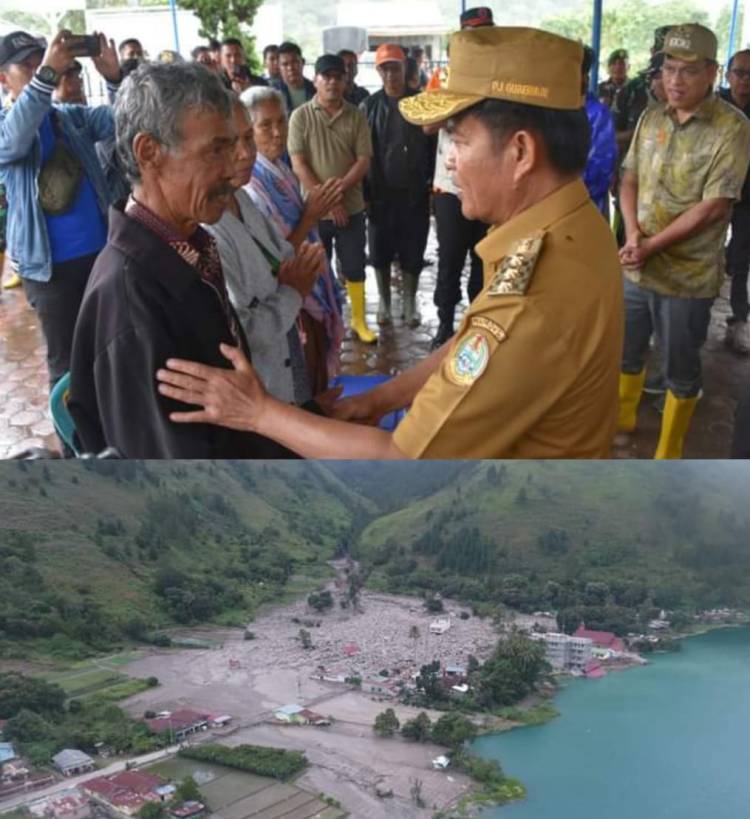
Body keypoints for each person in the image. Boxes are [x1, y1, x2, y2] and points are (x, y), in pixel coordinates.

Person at [156, 26, 624, 459]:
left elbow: (400, 458)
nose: (451, 162)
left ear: (520, 152)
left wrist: (258, 412)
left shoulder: (531, 299)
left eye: (458, 142)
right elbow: (471, 341)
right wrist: (382, 398)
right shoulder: (574, 222)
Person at [69, 62, 295, 459]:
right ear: (148, 153)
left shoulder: (191, 246)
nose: (233, 168)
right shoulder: (130, 303)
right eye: (216, 150)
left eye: (234, 146)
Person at [618, 24, 750, 459]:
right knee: (627, 350)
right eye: (670, 69)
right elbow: (630, 175)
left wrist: (652, 245)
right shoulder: (651, 116)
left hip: (687, 277)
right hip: (638, 264)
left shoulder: (731, 128)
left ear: (712, 73)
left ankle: (668, 451)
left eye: (688, 71)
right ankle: (623, 421)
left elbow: (714, 206)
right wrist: (634, 234)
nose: (675, 80)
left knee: (680, 367)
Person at [0, 29, 120, 395]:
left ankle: (115, 439)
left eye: (43, 60)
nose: (39, 69)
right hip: (50, 274)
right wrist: (48, 75)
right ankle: (76, 447)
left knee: (113, 354)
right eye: (28, 65)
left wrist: (113, 78)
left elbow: (126, 119)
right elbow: (15, 141)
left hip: (101, 260)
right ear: (3, 78)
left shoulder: (70, 117)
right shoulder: (6, 129)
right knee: (68, 369)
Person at [206, 96, 327, 405]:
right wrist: (292, 290)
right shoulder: (208, 229)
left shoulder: (240, 199)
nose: (246, 153)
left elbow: (282, 254)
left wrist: (292, 273)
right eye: (231, 143)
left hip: (284, 355)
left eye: (248, 138)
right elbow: (242, 333)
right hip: (260, 386)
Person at [242, 86, 345, 393]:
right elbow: (275, 256)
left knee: (315, 377)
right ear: (248, 131)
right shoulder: (251, 185)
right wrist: (311, 216)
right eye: (265, 125)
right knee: (305, 380)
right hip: (289, 298)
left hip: (304, 288)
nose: (277, 133)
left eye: (281, 122)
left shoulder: (279, 168)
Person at [288, 53, 375, 343]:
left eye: (338, 77)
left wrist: (338, 196)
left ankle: (359, 322)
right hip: (314, 211)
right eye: (327, 77)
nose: (333, 83)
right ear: (316, 80)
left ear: (345, 81)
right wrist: (327, 199)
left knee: (354, 266)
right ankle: (323, 324)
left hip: (351, 208)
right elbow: (299, 163)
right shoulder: (300, 116)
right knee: (316, 269)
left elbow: (363, 161)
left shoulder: (357, 115)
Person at [429, 6, 492, 349]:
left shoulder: (500, 77)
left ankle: (479, 327)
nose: (478, 41)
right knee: (450, 259)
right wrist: (457, 101)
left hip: (489, 185)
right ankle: (443, 326)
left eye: (484, 34)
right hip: (450, 186)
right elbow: (425, 125)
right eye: (472, 34)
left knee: (485, 258)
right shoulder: (443, 78)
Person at [361, 43, 435, 327]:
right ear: (379, 72)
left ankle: (409, 301)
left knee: (413, 248)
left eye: (396, 67)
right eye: (386, 68)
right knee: (379, 250)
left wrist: (430, 188)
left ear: (406, 68)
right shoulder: (369, 106)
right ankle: (384, 302)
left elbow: (433, 147)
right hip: (380, 194)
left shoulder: (421, 103)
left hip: (415, 193)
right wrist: (366, 192)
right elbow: (363, 153)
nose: (391, 74)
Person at [721, 49, 750, 354]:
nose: (745, 80)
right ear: (727, 75)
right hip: (711, 196)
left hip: (748, 198)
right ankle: (693, 319)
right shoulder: (713, 106)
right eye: (739, 73)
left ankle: (738, 322)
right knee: (704, 253)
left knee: (742, 259)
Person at [581, 46, 616, 216]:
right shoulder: (552, 109)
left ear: (584, 78)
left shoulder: (597, 114)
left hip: (586, 207)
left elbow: (601, 172)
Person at [274, 42, 315, 112]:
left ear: (302, 62)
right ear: (279, 67)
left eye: (294, 62)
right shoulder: (274, 93)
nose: (290, 68)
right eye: (285, 64)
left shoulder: (315, 90)